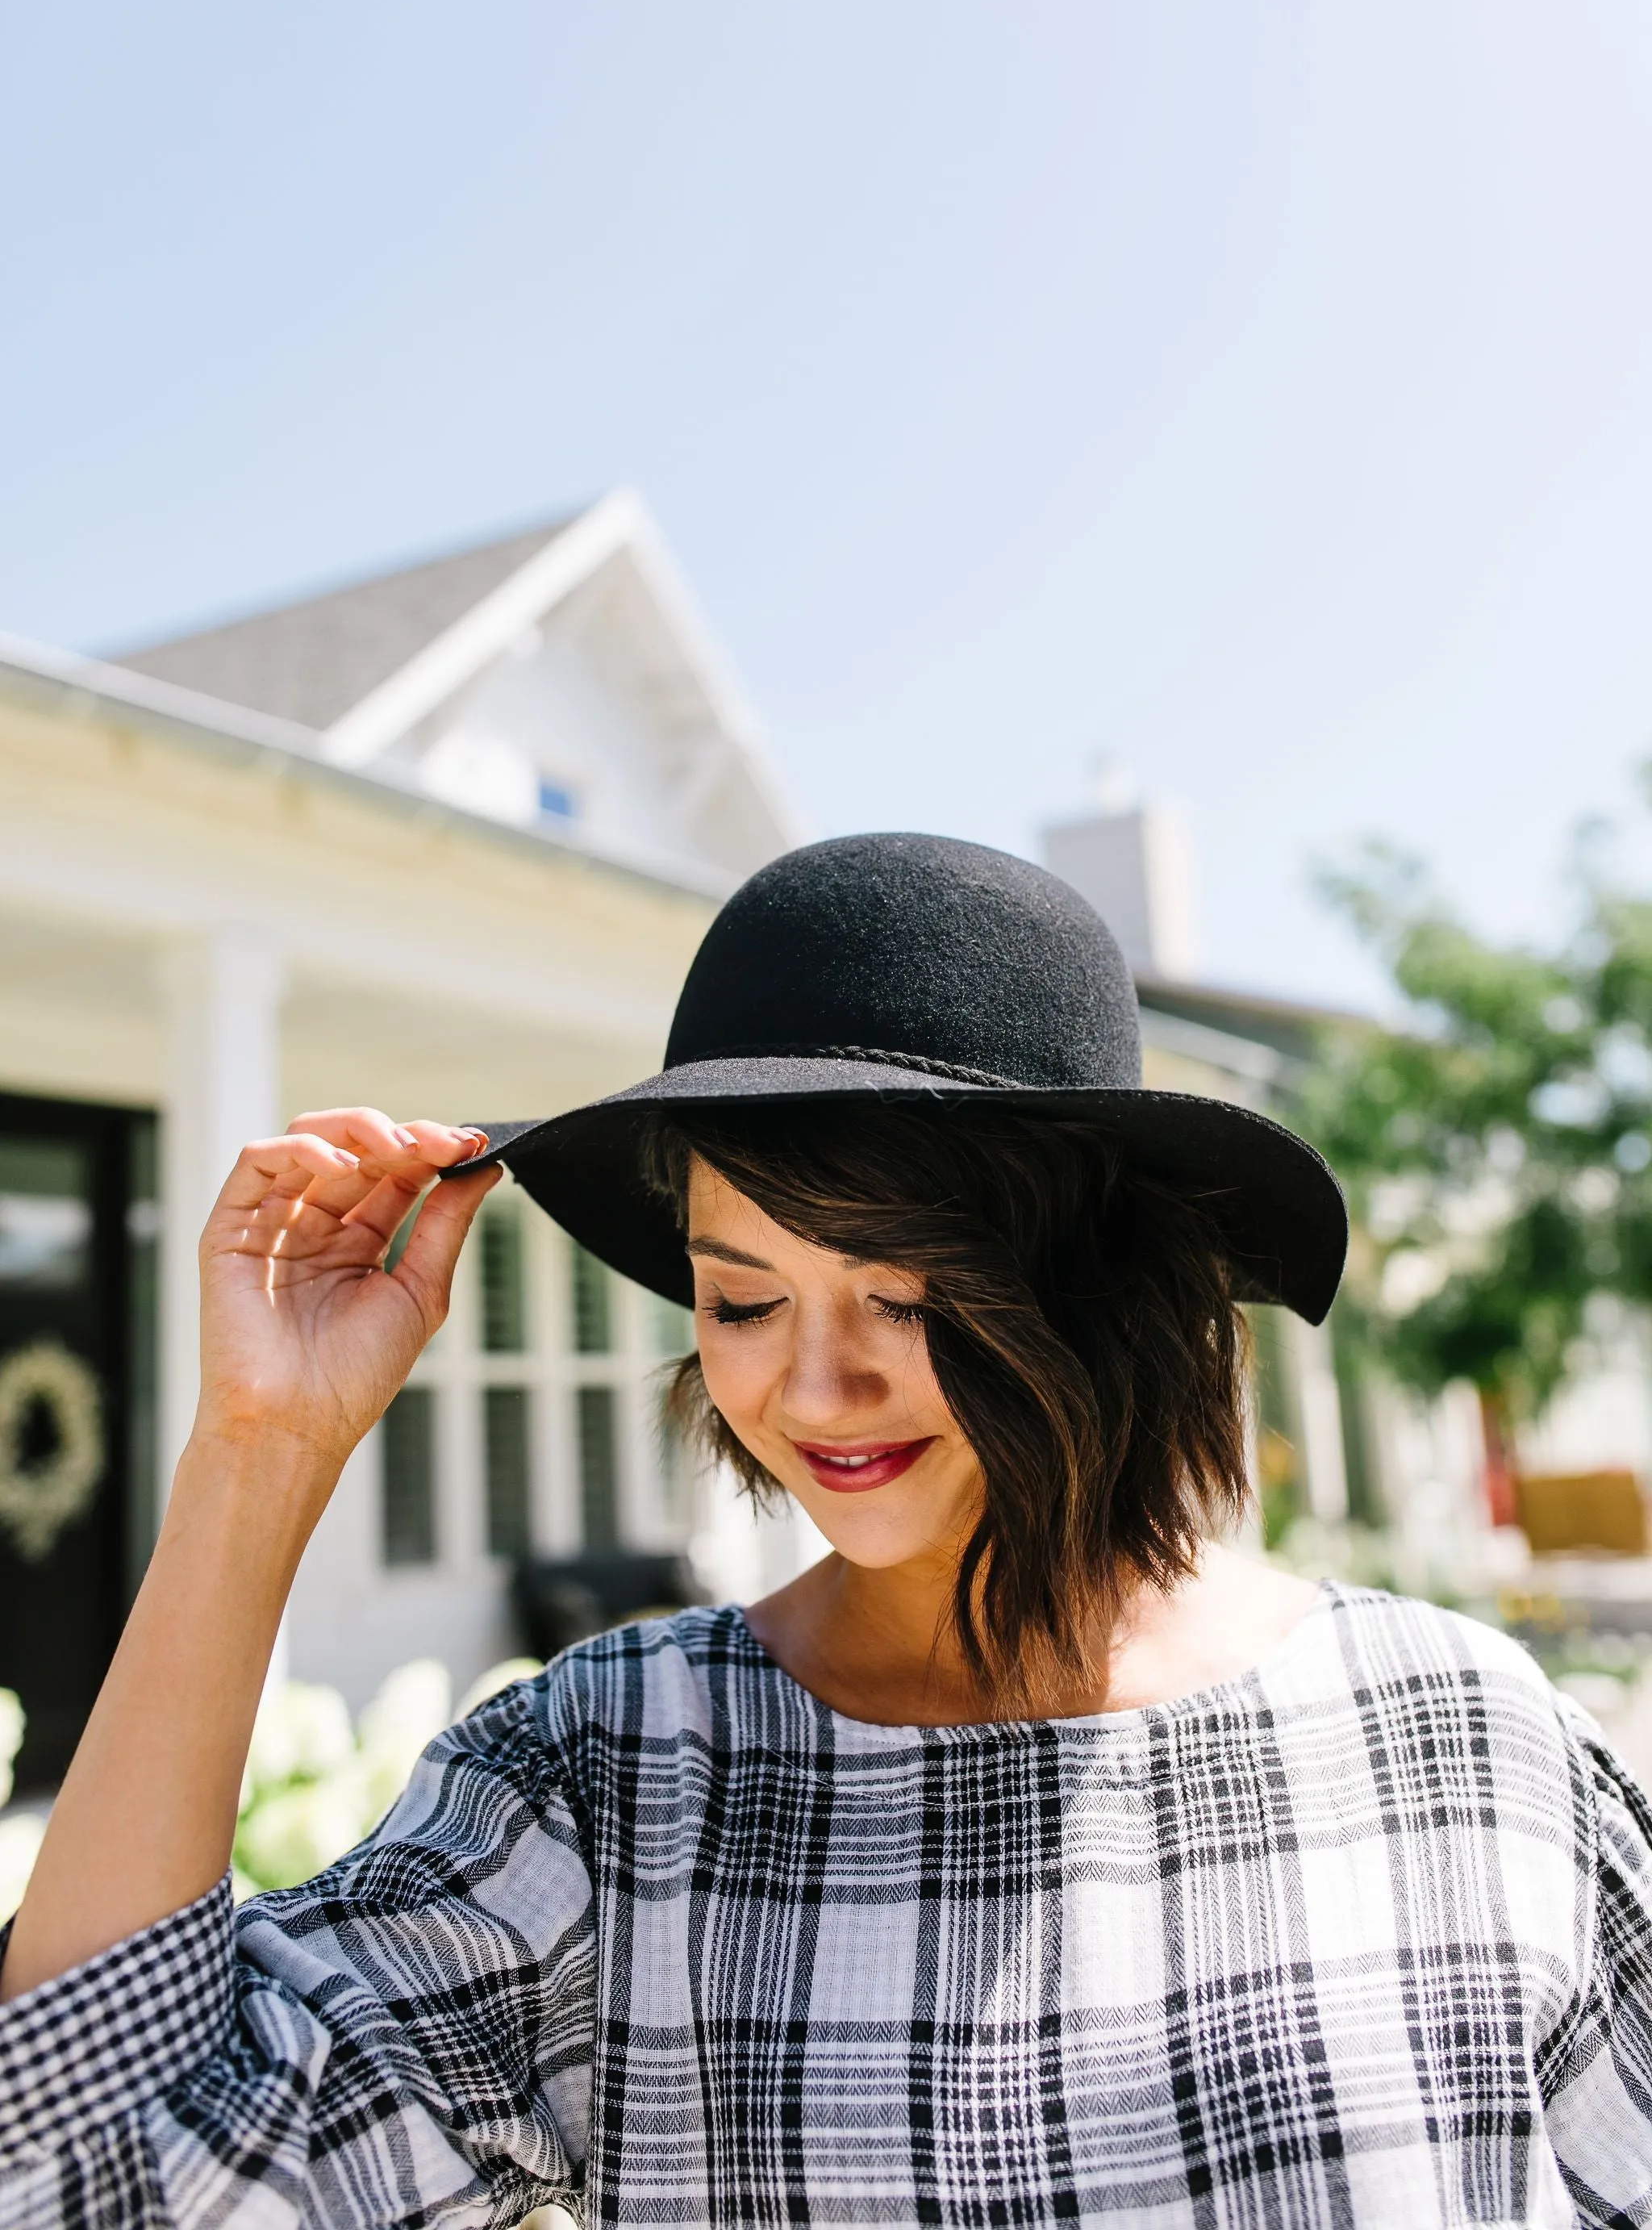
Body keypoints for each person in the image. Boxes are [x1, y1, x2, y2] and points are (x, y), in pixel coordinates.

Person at [2, 832, 1649, 2228]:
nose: (816, 1385)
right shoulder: (610, 1777)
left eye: (904, 1289)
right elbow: (88, 2174)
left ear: (1103, 1282)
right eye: (741, 1295)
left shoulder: (1457, 1735)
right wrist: (257, 1451)